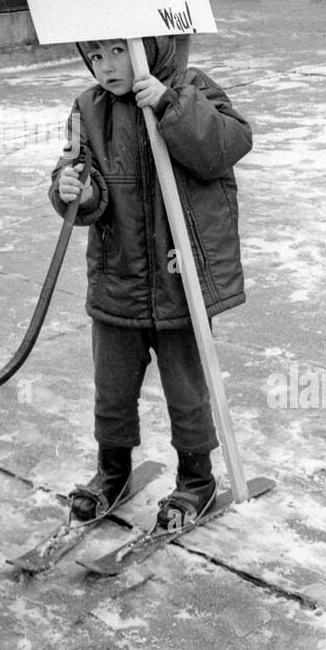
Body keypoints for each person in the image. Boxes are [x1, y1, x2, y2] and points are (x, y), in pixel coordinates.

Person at [48, 36, 252, 530]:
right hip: (118, 276)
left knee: (187, 388)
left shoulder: (189, 87)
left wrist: (168, 104)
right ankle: (111, 472)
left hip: (179, 277)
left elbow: (225, 146)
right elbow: (77, 172)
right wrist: (72, 188)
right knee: (112, 388)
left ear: (150, 44)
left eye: (117, 51)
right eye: (94, 56)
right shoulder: (88, 108)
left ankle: (197, 479)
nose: (106, 67)